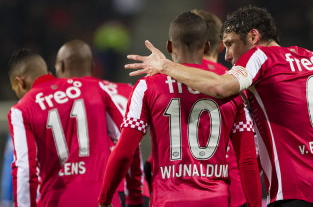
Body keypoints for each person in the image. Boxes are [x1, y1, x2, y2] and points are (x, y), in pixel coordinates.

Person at [125, 5, 313, 206]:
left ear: (253, 37)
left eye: (230, 44)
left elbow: (221, 87)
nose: (227, 55)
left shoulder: (259, 57)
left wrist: (165, 66)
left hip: (298, 192)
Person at [98, 12, 262, 207]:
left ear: (168, 46)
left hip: (168, 200)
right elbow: (247, 160)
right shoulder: (232, 88)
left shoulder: (147, 86)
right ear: (208, 46)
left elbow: (125, 152)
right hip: (216, 200)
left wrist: (105, 199)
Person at [7, 49, 127, 206]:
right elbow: (124, 140)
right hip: (103, 201)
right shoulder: (92, 87)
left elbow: (25, 169)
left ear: (20, 83)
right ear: (47, 72)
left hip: (57, 201)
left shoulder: (22, 109)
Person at [55, 39, 144, 207]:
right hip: (128, 187)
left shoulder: (50, 99)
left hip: (84, 192)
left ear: (61, 66)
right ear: (92, 65)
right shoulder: (128, 89)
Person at [192, 8, 247, 207]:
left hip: (181, 190)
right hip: (233, 192)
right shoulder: (238, 83)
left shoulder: (168, 82)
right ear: (221, 47)